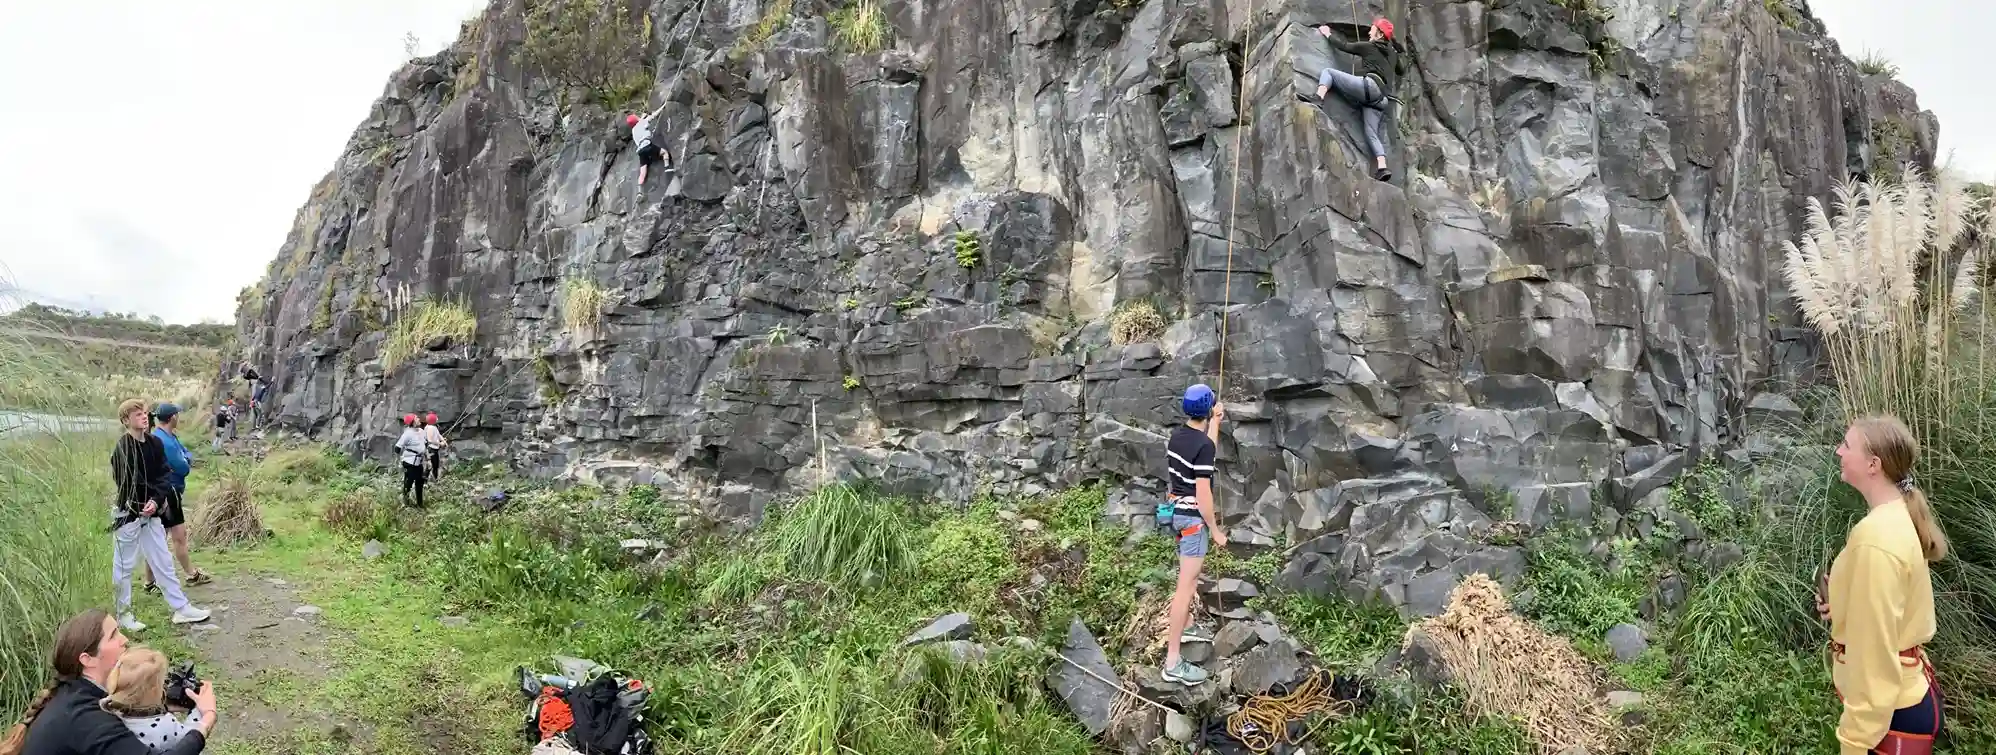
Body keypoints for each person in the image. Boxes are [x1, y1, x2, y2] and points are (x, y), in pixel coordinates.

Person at [1817, 414, 1949, 755]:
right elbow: (1895, 606)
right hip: (1906, 695)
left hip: (1891, 713)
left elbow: (1875, 655)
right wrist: (1844, 607)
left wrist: (1855, 741)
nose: (1838, 451)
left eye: (1847, 445)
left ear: (1873, 464)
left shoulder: (1876, 537)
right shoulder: (1895, 516)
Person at [0, 609, 216, 755]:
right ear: (88, 659)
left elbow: (118, 705)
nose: (124, 639)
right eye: (113, 635)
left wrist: (160, 705)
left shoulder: (76, 692)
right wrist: (205, 720)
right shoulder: (87, 719)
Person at [109, 400, 211, 631]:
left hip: (152, 512)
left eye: (145, 414)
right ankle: (123, 615)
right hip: (129, 513)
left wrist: (156, 501)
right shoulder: (123, 448)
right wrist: (140, 504)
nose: (144, 418)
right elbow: (126, 481)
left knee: (163, 561)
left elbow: (165, 474)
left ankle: (181, 608)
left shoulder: (155, 443)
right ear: (126, 420)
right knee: (124, 566)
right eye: (137, 415)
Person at [1157, 383, 1227, 686]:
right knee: (1185, 589)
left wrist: (1216, 424)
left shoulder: (1179, 437)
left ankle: (1185, 624)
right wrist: (1215, 530)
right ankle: (1173, 662)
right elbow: (1203, 494)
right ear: (1208, 408)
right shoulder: (1203, 446)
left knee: (1188, 579)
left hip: (1176, 516)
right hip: (1193, 522)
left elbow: (1203, 451)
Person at [1313, 19, 1400, 182]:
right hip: (1381, 100)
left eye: (1372, 29)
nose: (1369, 32)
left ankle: (1318, 98)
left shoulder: (1370, 47)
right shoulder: (1392, 54)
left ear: (1379, 33)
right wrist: (1394, 49)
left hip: (1370, 87)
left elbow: (1345, 46)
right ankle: (1382, 167)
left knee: (1328, 72)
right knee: (1371, 133)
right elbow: (1401, 69)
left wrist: (1327, 33)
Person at [141, 404, 210, 594]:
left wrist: (184, 458)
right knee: (179, 536)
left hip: (165, 492)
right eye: (177, 414)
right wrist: (185, 461)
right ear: (172, 417)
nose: (179, 416)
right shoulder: (165, 441)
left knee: (158, 537)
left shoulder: (168, 437)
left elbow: (185, 453)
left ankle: (149, 582)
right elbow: (184, 467)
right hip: (168, 493)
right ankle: (191, 574)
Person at [98, 646, 208, 753]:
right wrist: (199, 710)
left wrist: (164, 706)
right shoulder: (165, 727)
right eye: (163, 683)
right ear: (154, 691)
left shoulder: (107, 706)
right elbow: (189, 737)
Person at [625, 105, 672, 187]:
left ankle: (640, 191)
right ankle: (668, 170)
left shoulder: (633, 131)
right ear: (637, 119)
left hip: (640, 151)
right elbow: (653, 116)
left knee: (643, 171)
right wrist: (663, 107)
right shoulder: (642, 122)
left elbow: (640, 123)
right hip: (647, 145)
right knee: (664, 153)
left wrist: (643, 117)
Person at [395, 414, 428, 508]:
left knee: (419, 483)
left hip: (419, 462)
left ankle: (420, 504)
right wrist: (399, 461)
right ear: (412, 423)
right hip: (409, 463)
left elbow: (425, 446)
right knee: (408, 483)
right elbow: (397, 448)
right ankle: (406, 503)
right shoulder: (408, 433)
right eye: (416, 418)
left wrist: (428, 459)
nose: (418, 419)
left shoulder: (421, 431)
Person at [422, 412, 448, 481]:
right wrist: (440, 444)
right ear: (433, 420)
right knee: (433, 466)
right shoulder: (430, 428)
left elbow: (439, 435)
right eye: (436, 418)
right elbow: (430, 440)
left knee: (433, 465)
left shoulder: (432, 427)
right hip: (431, 449)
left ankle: (431, 479)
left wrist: (443, 441)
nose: (437, 419)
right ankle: (429, 480)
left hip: (433, 449)